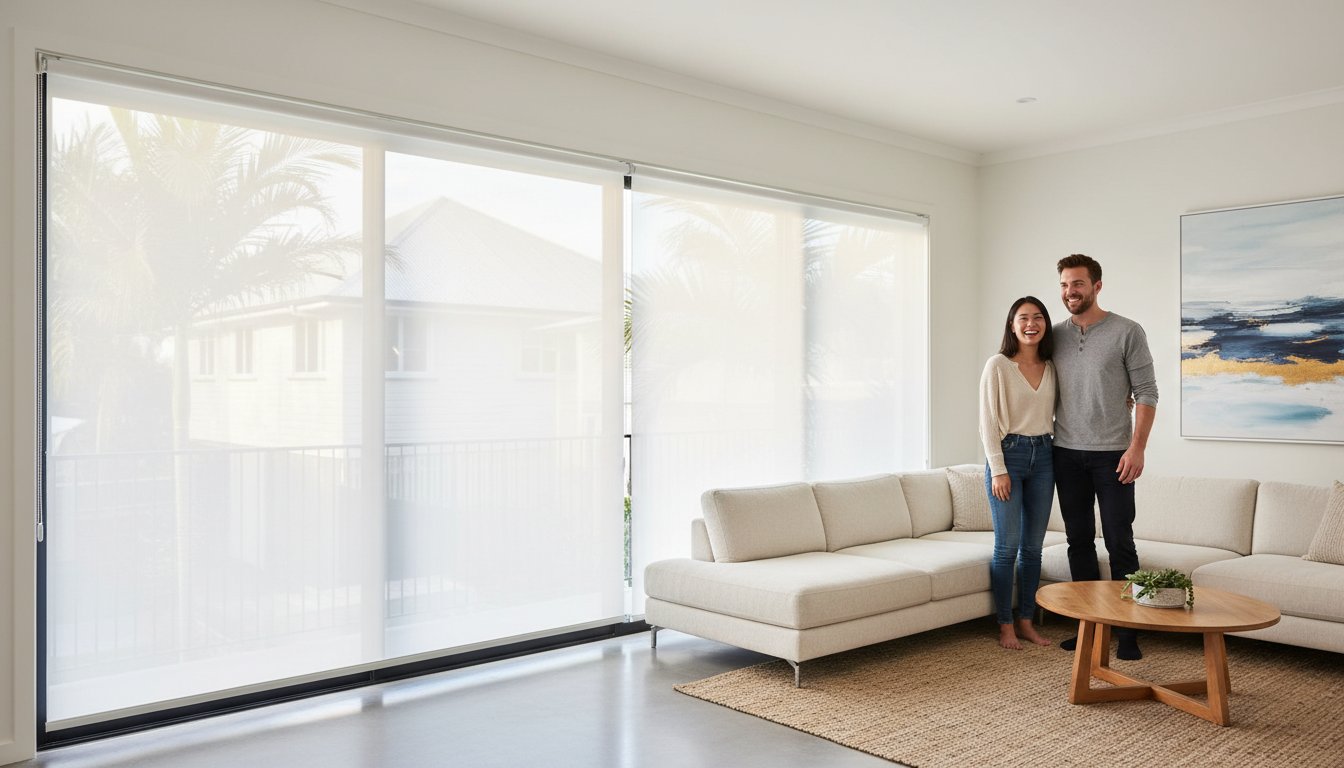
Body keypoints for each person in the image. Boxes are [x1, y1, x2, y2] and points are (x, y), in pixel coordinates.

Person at [1052, 254, 1158, 661]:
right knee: (1077, 541)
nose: (1069, 292)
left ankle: (1130, 631)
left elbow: (1147, 391)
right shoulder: (1055, 335)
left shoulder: (1127, 331)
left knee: (1119, 541)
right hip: (1065, 452)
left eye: (1077, 284)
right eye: (1063, 284)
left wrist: (1138, 447)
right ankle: (1089, 628)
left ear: (1097, 286)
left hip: (1114, 455)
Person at [979, 296, 1056, 650]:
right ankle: (1005, 624)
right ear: (1012, 325)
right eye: (1023, 318)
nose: (1031, 324)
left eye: (1038, 317)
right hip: (1008, 456)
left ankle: (1026, 620)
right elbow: (987, 422)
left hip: (1045, 457)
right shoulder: (998, 365)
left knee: (1034, 549)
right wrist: (998, 470)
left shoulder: (1052, 366)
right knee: (1006, 547)